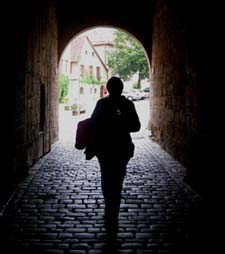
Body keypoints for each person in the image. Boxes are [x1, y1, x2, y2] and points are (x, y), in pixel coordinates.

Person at [85, 76, 141, 246]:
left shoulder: (102, 104)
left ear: (107, 89)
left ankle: (110, 206)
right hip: (122, 148)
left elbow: (93, 124)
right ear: (122, 89)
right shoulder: (128, 104)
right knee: (118, 179)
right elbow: (136, 126)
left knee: (106, 177)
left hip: (105, 149)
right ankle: (113, 209)